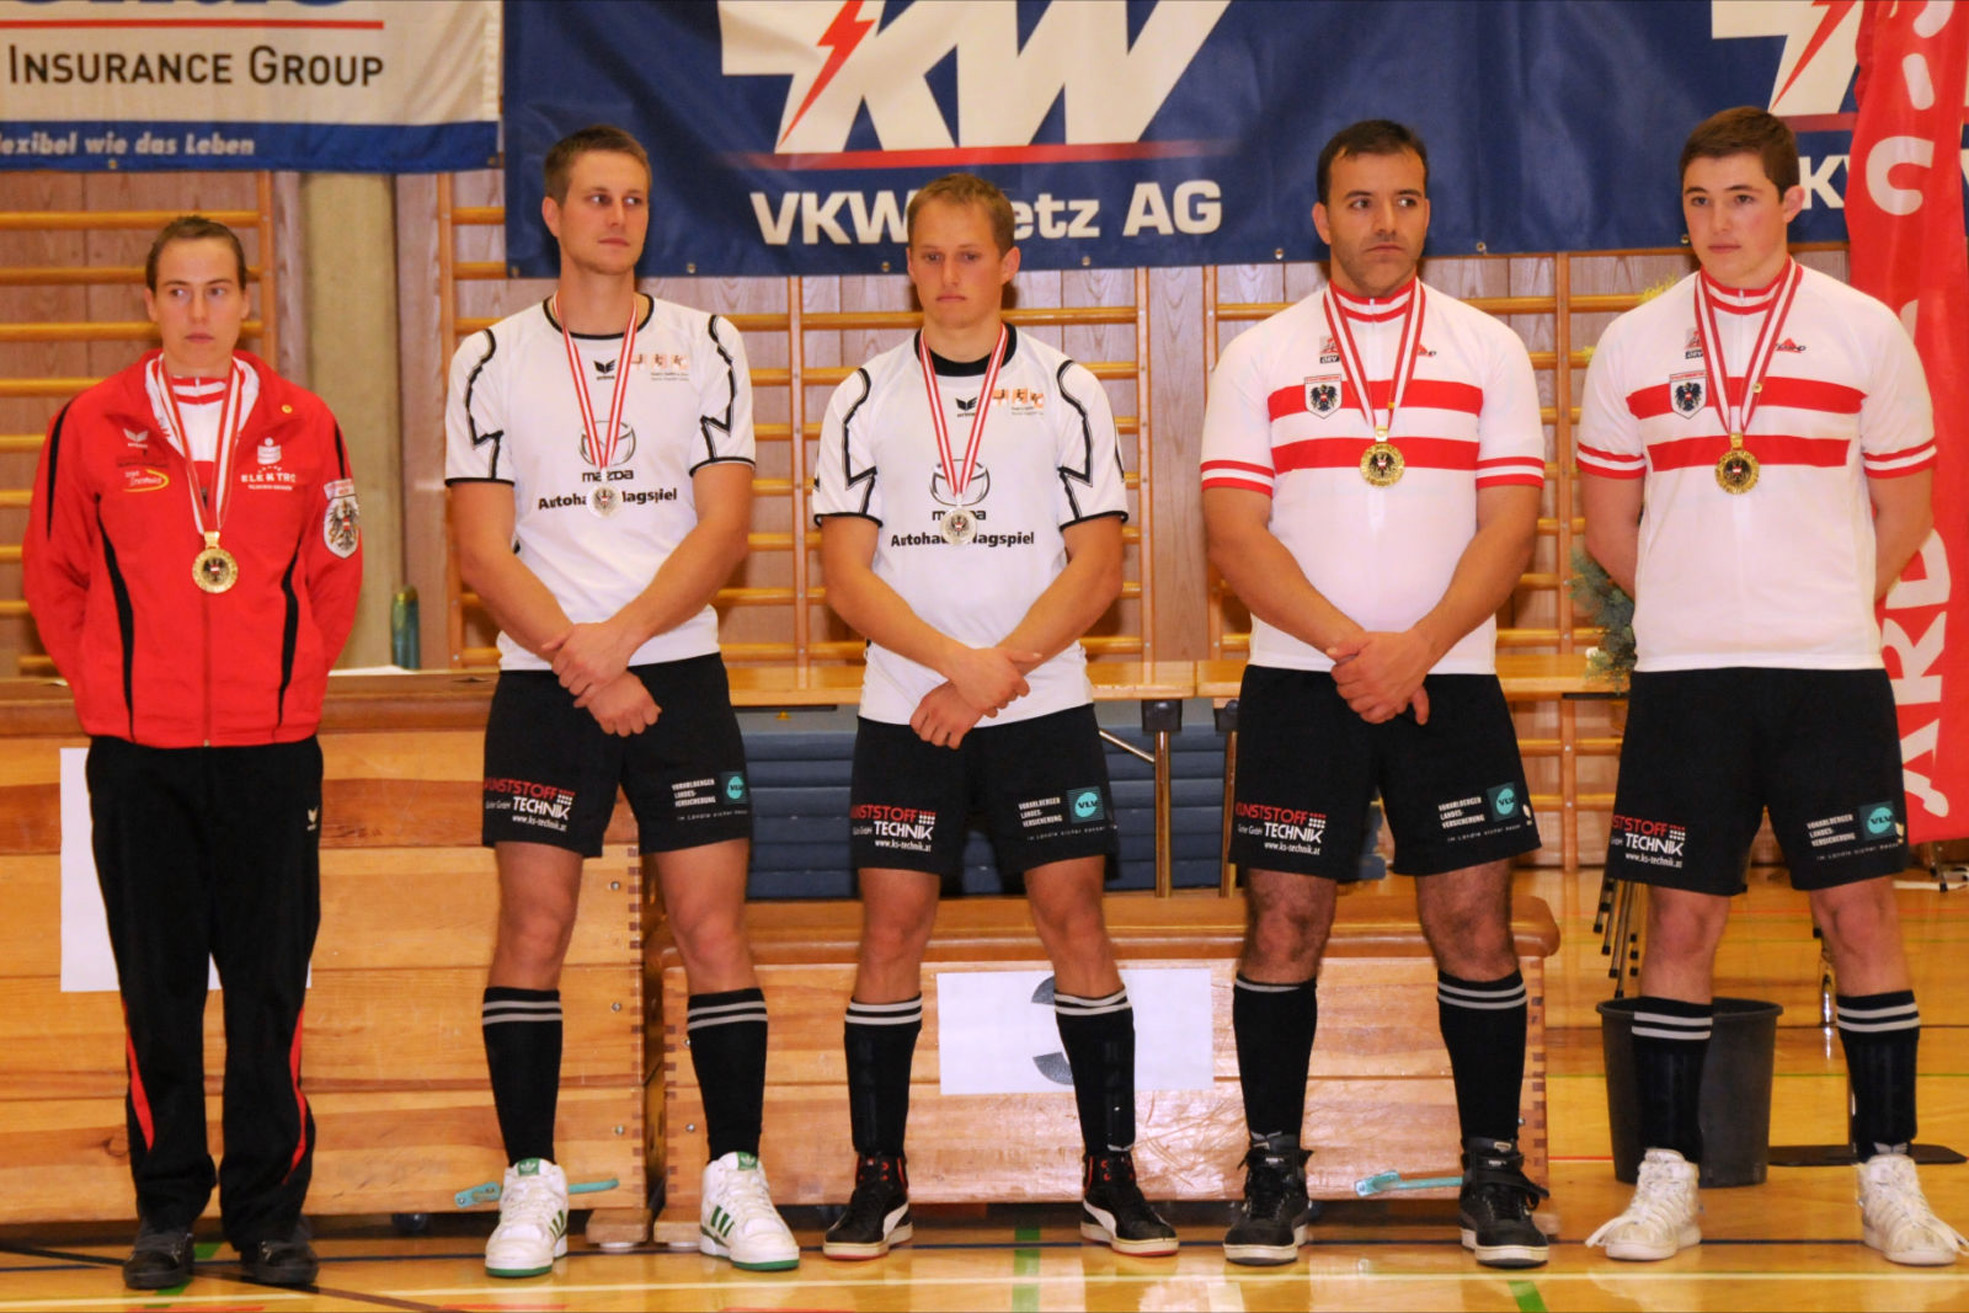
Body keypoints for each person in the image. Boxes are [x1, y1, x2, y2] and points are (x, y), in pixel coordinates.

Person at [1579, 106, 1961, 1266]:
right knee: (1679, 920)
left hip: (1827, 676)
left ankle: (1886, 1174)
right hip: (1686, 681)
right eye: (1698, 201)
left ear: (1792, 202)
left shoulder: (1862, 333)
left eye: (1742, 198)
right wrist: (1692, 608)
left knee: (1861, 914)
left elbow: (1905, 509)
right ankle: (1669, 1177)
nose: (1718, 222)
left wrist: (1825, 603)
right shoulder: (1633, 343)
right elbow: (1606, 525)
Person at [445, 125, 797, 1276]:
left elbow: (724, 526)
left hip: (675, 668)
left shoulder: (707, 343)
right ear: (551, 214)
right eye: (595, 198)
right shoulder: (490, 356)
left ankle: (733, 1177)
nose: (616, 217)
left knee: (714, 928)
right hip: (544, 677)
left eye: (634, 199)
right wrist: (580, 658)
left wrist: (621, 644)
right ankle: (531, 1182)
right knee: (532, 927)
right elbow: (480, 547)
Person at [1200, 120, 1550, 1269]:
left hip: (1452, 678)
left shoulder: (1488, 349)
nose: (1384, 222)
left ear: (1428, 211)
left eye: (1404, 199)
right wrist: (1356, 647)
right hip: (1302, 680)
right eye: (1360, 202)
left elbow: (1509, 528)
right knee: (1282, 920)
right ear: (1321, 219)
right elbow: (1235, 536)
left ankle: (1491, 1171)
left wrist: (1420, 647)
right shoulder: (1258, 356)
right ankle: (1272, 1169)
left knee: (1474, 921)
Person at [810, 172, 1176, 1261]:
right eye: (929, 255)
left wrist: (992, 672)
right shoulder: (862, 396)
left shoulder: (1065, 387)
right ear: (907, 266)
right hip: (906, 706)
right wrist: (954, 667)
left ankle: (1111, 1174)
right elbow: (845, 574)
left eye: (969, 255)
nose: (948, 275)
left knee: (1076, 921)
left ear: (1009, 264)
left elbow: (1097, 566)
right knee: (889, 929)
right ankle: (879, 1181)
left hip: (1037, 702)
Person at [24, 216, 362, 1289]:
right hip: (142, 756)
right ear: (150, 304)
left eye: (218, 290)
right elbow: (53, 576)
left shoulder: (306, 424)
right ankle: (167, 1210)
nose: (199, 311)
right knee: (157, 992)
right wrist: (109, 695)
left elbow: (335, 574)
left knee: (269, 992)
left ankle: (268, 1216)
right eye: (178, 291)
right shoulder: (91, 423)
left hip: (271, 754)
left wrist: (289, 690)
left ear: (247, 302)